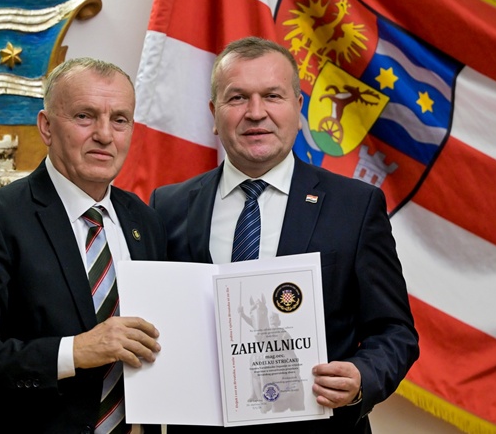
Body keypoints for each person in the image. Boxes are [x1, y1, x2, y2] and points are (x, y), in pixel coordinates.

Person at [149, 37, 419, 433]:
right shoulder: (167, 206)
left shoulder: (355, 206)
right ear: (214, 113)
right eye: (237, 98)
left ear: (298, 107)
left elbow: (395, 331)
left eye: (272, 96)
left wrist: (361, 378)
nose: (256, 112)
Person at [0, 58, 166, 433]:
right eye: (85, 116)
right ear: (46, 127)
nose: (105, 134)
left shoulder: (145, 221)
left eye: (119, 119)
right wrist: (75, 351)